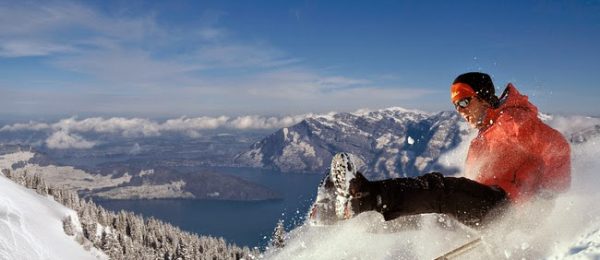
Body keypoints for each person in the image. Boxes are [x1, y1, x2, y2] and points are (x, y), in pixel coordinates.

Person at [309, 72, 571, 227]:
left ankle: (363, 198)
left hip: (506, 207)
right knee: (424, 213)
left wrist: (548, 197)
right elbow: (474, 185)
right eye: (457, 106)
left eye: (465, 102)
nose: (461, 111)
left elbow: (558, 148)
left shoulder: (513, 121)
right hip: (487, 206)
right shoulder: (483, 138)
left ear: (483, 96)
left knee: (440, 189)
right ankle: (351, 218)